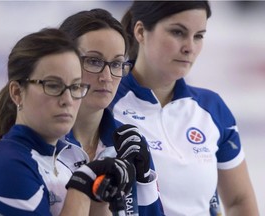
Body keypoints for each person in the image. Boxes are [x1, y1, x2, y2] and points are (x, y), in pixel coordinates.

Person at [109, 1, 260, 216]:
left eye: (198, 36)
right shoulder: (106, 105)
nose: (190, 46)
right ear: (141, 32)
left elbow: (238, 200)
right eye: (178, 32)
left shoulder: (211, 108)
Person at [0, 28, 136, 216]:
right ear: (17, 93)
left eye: (75, 86)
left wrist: (101, 197)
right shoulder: (7, 166)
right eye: (53, 85)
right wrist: (82, 186)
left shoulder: (61, 165)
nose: (67, 99)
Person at [59, 8, 164, 216]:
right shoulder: (40, 143)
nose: (107, 76)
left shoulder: (128, 142)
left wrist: (144, 182)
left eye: (116, 63)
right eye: (94, 61)